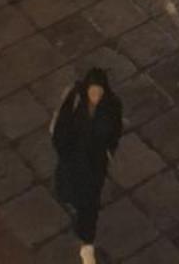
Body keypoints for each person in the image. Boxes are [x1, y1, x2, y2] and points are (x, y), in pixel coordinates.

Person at [50, 66, 123, 264]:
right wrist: (64, 149)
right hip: (73, 160)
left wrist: (108, 154)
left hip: (94, 166)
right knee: (70, 194)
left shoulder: (112, 106)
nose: (96, 96)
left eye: (99, 92)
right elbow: (61, 126)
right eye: (93, 92)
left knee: (89, 206)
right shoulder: (75, 100)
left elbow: (115, 132)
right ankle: (77, 215)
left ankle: (87, 244)